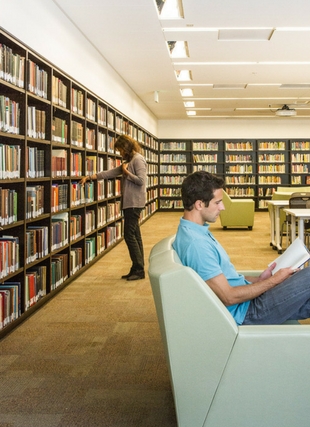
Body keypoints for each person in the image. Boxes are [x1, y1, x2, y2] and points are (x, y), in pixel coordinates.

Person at [172, 170, 310, 325]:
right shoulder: (196, 245)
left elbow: (226, 279)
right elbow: (228, 297)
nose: (223, 207)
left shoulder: (195, 231)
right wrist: (274, 280)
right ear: (199, 204)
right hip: (249, 311)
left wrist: (258, 280)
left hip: (248, 301)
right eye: (217, 202)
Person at [80, 134, 147, 281]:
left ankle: (139, 269)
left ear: (126, 147)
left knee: (129, 235)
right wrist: (91, 177)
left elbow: (141, 181)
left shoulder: (138, 160)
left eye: (121, 150)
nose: (120, 153)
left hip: (135, 203)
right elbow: (110, 173)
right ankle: (137, 267)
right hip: (130, 203)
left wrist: (126, 172)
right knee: (135, 235)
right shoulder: (129, 161)